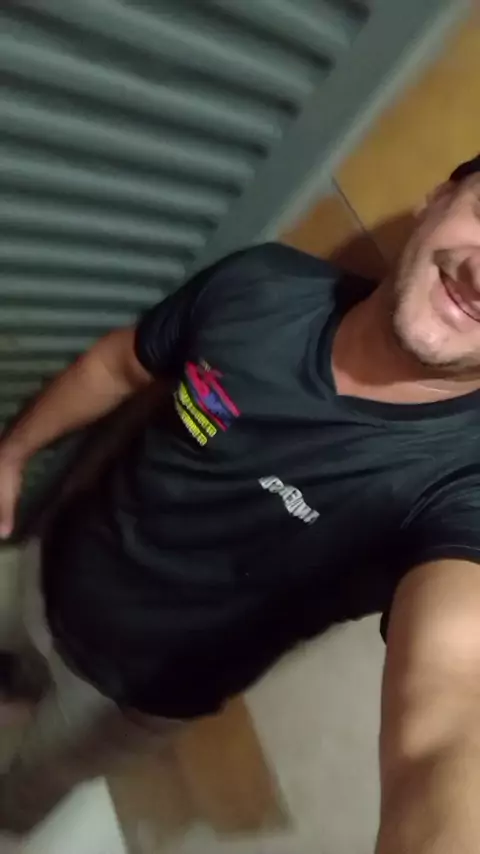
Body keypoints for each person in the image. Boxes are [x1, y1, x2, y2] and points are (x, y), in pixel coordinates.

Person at [1, 154, 480, 851]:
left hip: (131, 696)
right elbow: (118, 365)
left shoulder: (464, 486)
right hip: (49, 562)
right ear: (437, 198)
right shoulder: (262, 287)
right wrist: (12, 456)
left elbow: (451, 704)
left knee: (24, 789)